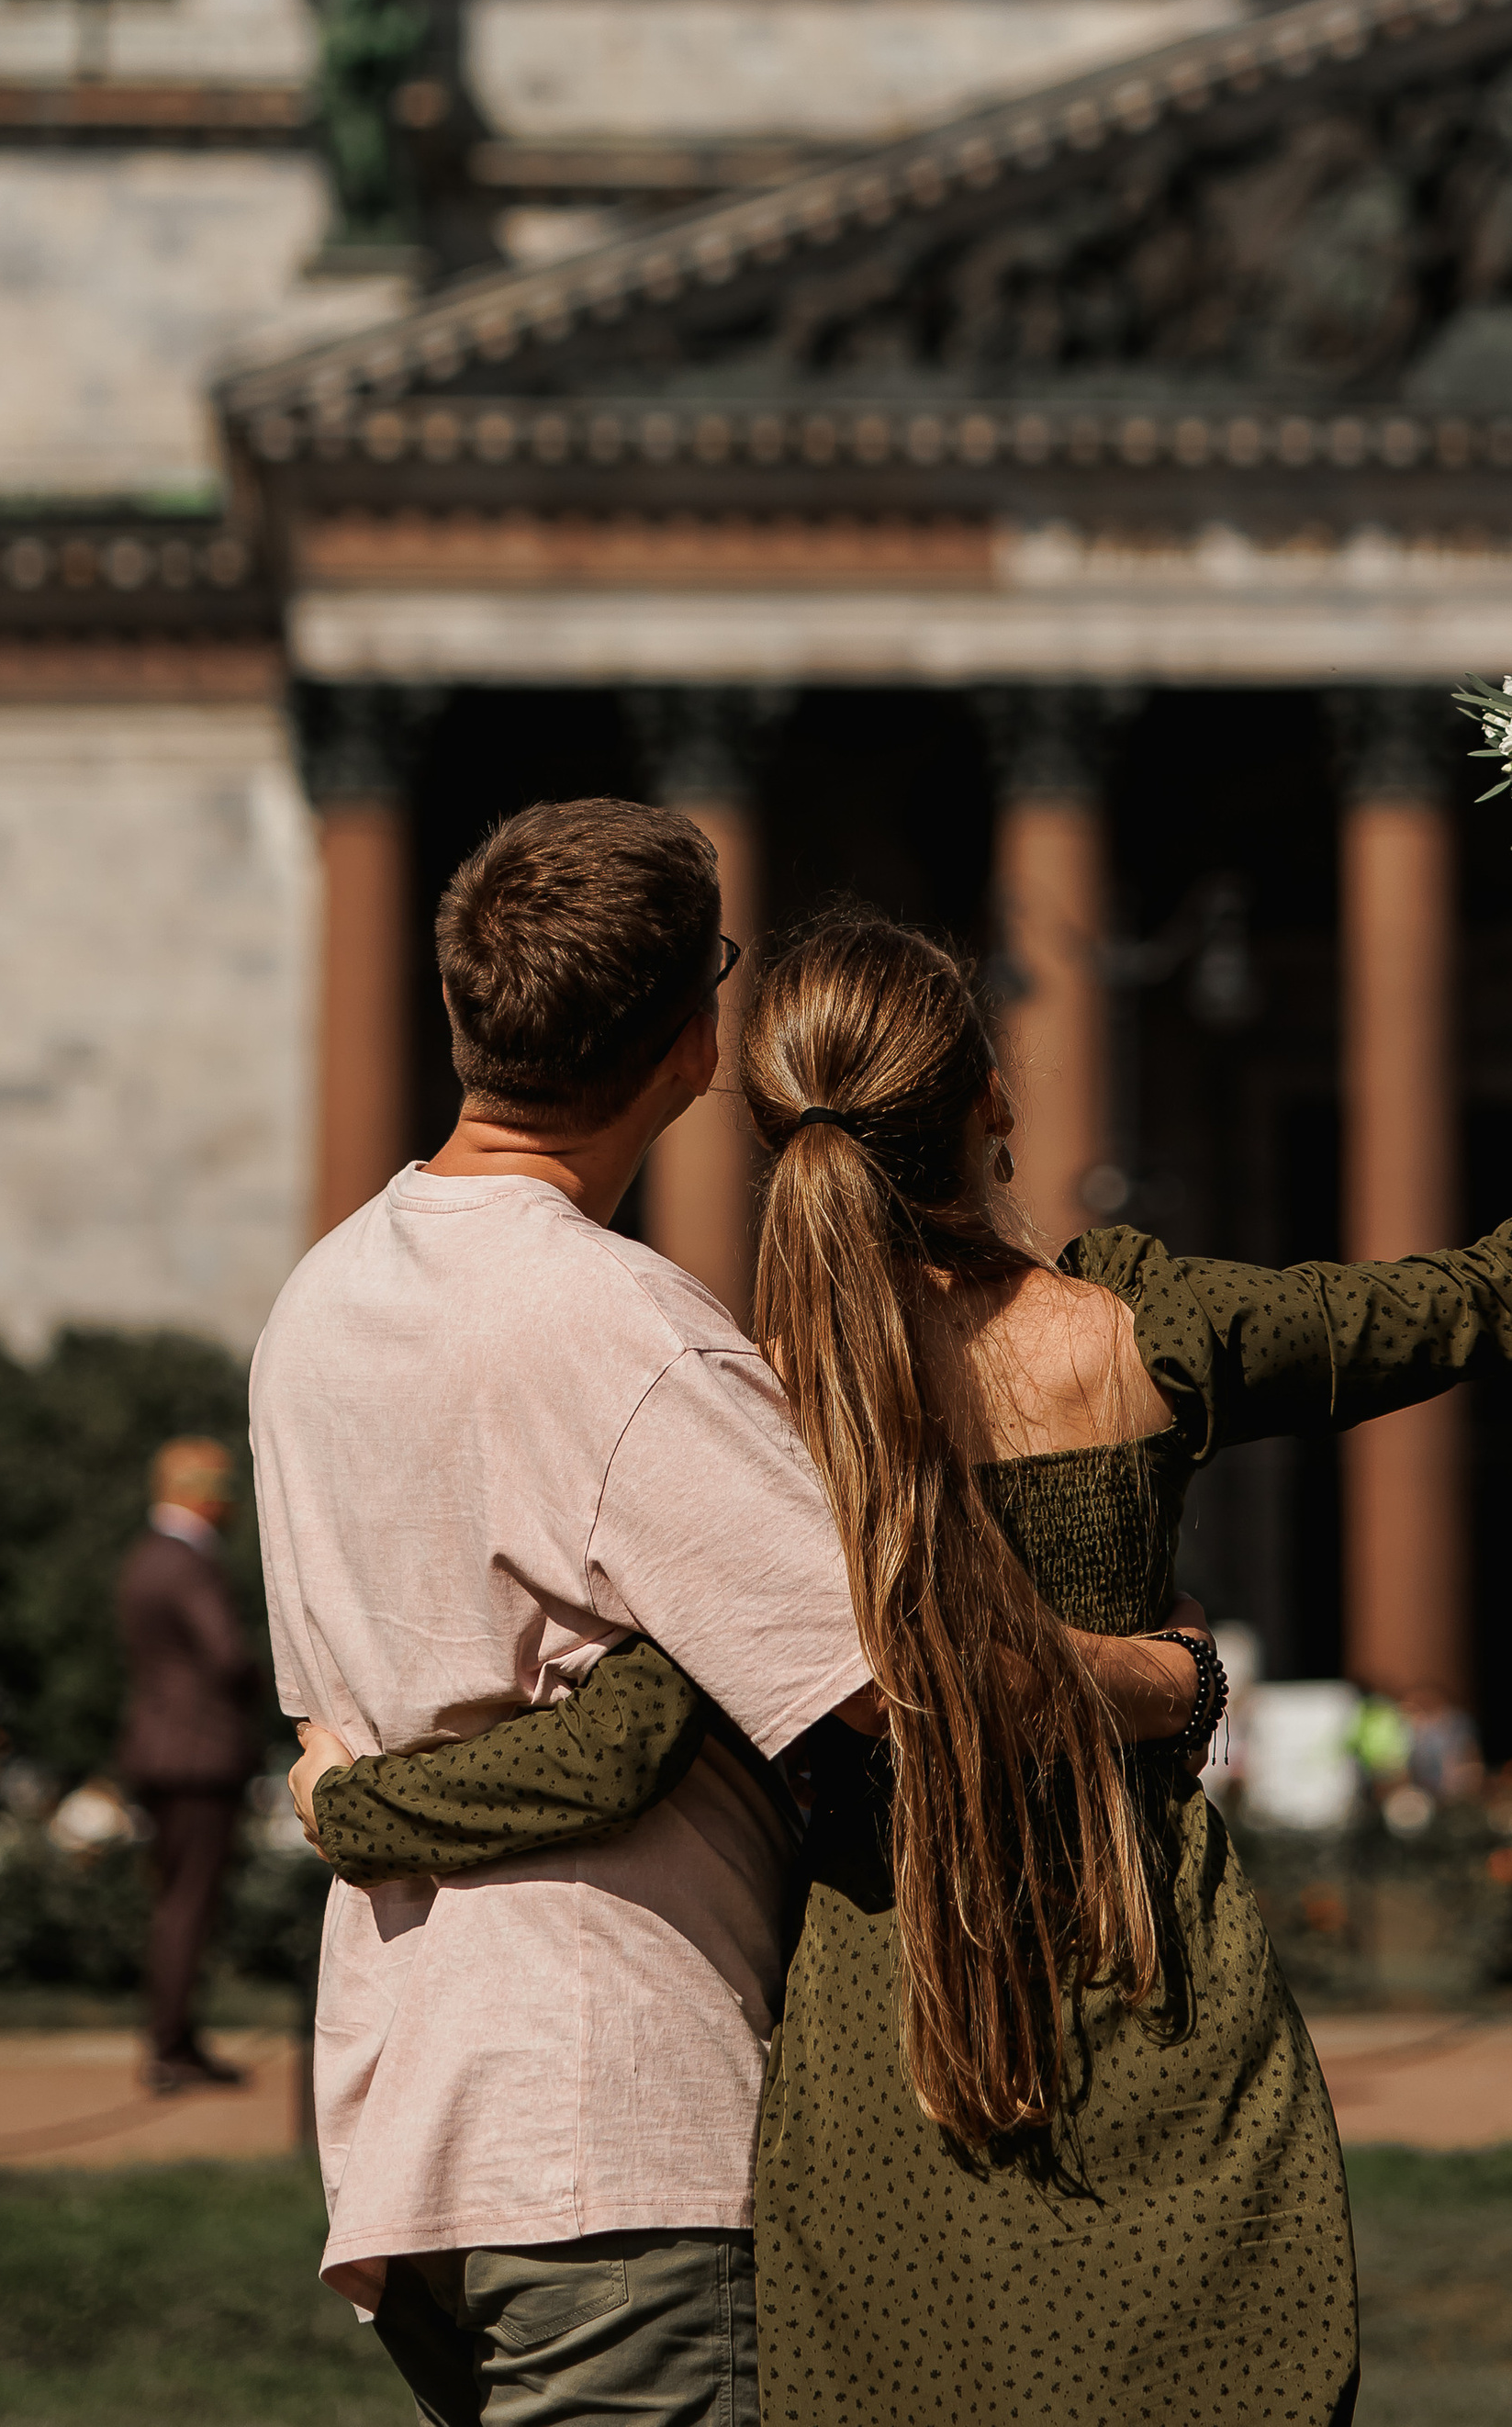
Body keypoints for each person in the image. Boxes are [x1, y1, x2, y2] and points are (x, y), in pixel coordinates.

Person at [294, 862, 1512, 2425]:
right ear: (996, 1099)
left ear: (773, 1135)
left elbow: (627, 1740)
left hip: (886, 2044)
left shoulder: (759, 1402)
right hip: (1147, 1980)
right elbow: (1503, 1292)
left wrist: (360, 1808)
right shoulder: (1138, 1330)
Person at [251, 797, 1197, 2427]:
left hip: (407, 2124)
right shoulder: (629, 1332)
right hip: (617, 2126)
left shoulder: (317, 1305)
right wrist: (1159, 1679)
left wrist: (356, 1801)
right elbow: (896, 1680)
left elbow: (362, 1711)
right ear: (696, 1040)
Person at [115, 1432, 261, 2094]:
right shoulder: (191, 1563)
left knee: (174, 1898)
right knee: (190, 1902)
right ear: (197, 1495)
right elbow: (225, 1654)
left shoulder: (144, 1558)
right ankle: (172, 2048)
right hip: (201, 1755)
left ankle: (175, 2037)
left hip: (154, 1749)